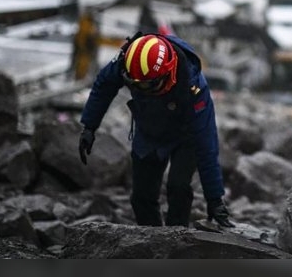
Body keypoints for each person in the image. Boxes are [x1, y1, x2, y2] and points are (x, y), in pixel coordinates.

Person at [78, 32, 234, 228]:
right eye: (136, 85)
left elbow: (206, 143)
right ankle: (151, 241)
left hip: (185, 136)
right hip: (149, 129)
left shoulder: (194, 88)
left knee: (179, 188)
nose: (142, 90)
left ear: (168, 73)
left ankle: (176, 240)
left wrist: (215, 199)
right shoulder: (129, 62)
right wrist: (89, 126)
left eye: (148, 85)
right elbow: (104, 84)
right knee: (141, 197)